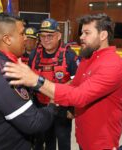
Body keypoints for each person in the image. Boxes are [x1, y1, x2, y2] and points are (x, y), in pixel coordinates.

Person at [3, 13, 122, 150]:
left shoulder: (113, 65)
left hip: (101, 142)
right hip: (83, 134)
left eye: (86, 33)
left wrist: (36, 81)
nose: (81, 37)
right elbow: (73, 85)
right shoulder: (88, 58)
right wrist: (56, 100)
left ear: (103, 35)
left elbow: (79, 95)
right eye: (81, 33)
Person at [0, 13, 56, 150]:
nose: (26, 38)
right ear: (7, 39)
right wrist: (54, 104)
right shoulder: (4, 73)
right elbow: (33, 122)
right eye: (22, 34)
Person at [28, 18, 78, 150]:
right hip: (40, 107)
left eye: (50, 35)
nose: (46, 39)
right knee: (46, 140)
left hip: (62, 109)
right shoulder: (34, 55)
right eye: (42, 36)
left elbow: (77, 82)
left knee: (63, 142)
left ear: (59, 35)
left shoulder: (69, 55)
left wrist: (72, 109)